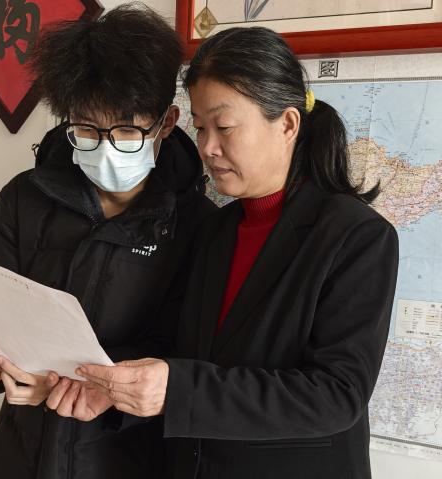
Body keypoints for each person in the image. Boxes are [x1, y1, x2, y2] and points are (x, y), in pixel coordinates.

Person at [74, 27, 400, 478]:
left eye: (224, 127)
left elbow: (336, 395)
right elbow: (181, 352)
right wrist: (107, 385)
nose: (208, 148)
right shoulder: (214, 228)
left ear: (287, 124)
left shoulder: (357, 237)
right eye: (200, 128)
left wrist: (177, 391)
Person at [0, 4, 216, 479]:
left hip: (127, 460)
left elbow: (187, 356)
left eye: (126, 130)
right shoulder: (23, 199)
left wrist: (96, 389)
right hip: (20, 458)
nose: (106, 148)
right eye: (86, 129)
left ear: (166, 122)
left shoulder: (198, 225)